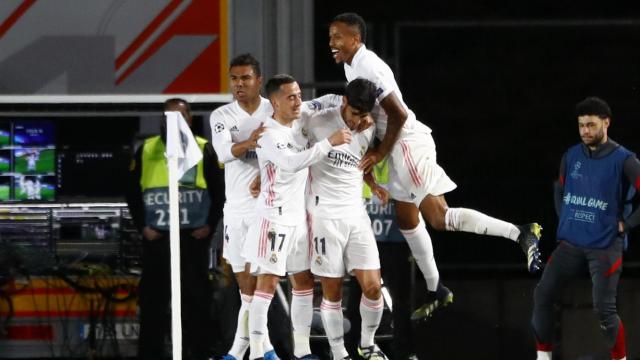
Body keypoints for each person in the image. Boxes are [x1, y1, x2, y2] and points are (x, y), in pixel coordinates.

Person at [328, 12, 543, 320]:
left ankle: (521, 233)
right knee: (405, 218)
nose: (332, 43)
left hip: (406, 144)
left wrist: (377, 154)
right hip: (396, 146)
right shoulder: (353, 66)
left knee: (439, 217)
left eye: (338, 37)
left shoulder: (369, 66)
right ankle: (436, 288)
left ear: (356, 39)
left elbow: (398, 116)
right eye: (330, 37)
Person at [209, 54, 341, 360]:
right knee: (247, 287)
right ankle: (256, 349)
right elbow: (222, 153)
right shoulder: (224, 116)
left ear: (258, 80)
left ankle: (250, 349)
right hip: (242, 210)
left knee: (281, 282)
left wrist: (354, 100)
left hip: (277, 208)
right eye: (234, 79)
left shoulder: (280, 106)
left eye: (245, 78)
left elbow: (319, 104)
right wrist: (251, 142)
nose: (239, 84)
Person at [242, 74, 350, 360]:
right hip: (274, 219)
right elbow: (291, 163)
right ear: (274, 102)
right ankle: (256, 352)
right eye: (290, 97)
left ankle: (302, 351)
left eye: (299, 94)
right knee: (266, 284)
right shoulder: (267, 134)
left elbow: (325, 101)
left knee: (303, 281)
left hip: (299, 220)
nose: (297, 101)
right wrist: (329, 143)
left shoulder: (300, 115)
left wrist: (349, 102)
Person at [532, 97, 640, 360]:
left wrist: (627, 224)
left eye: (591, 125)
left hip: (604, 246)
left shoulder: (625, 159)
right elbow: (559, 188)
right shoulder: (571, 155)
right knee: (542, 294)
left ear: (606, 123)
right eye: (581, 126)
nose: (585, 131)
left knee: (604, 309)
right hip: (570, 244)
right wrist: (565, 217)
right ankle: (543, 357)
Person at [126, 98, 225, 360]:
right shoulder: (146, 150)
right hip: (157, 241)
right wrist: (142, 228)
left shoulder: (204, 150)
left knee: (196, 303)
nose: (171, 123)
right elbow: (132, 195)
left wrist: (209, 226)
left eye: (178, 117)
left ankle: (200, 354)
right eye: (166, 117)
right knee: (153, 305)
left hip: (192, 242)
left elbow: (219, 194)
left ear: (189, 120)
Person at [303, 78, 387, 360]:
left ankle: (367, 345)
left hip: (356, 213)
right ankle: (340, 354)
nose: (356, 122)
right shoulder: (316, 123)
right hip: (324, 215)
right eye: (353, 115)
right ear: (343, 102)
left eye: (363, 116)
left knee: (374, 286)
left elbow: (359, 161)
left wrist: (373, 183)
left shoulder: (368, 125)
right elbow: (290, 152)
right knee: (333, 291)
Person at [364, 157, 418, 360]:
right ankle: (356, 348)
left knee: (401, 300)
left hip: (397, 240)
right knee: (359, 297)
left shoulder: (404, 158)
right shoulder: (362, 154)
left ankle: (405, 352)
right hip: (367, 241)